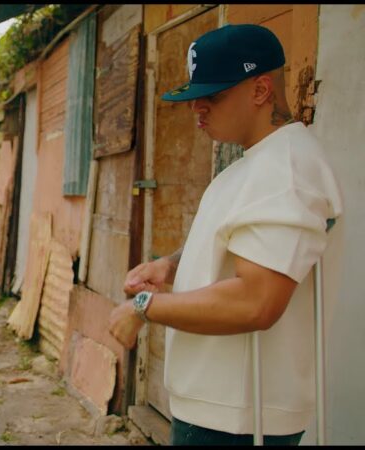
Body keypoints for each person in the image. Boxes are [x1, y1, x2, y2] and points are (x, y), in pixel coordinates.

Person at [108, 24, 342, 445]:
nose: (197, 107)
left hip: (241, 421)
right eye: (195, 95)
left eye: (212, 95)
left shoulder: (285, 171)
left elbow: (256, 301)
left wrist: (144, 307)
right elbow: (235, 248)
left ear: (260, 90)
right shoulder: (253, 165)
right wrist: (169, 266)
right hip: (216, 408)